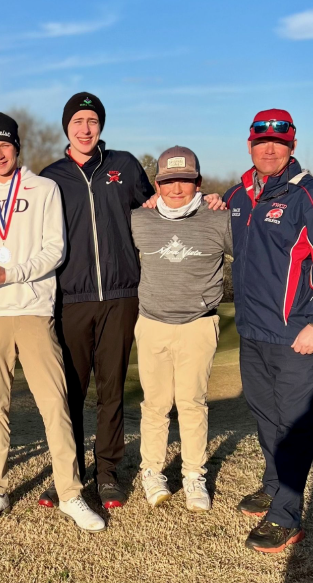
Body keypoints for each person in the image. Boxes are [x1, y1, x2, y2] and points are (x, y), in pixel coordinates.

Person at [39, 92, 224, 510]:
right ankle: (66, 475)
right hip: (72, 298)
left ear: (100, 126)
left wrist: (209, 201)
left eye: (92, 121)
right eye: (77, 121)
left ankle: (107, 474)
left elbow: (162, 207)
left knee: (111, 391)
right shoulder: (51, 176)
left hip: (123, 297)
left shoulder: (123, 166)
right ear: (66, 127)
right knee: (69, 392)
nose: (85, 129)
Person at [0, 112, 105, 532]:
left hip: (32, 309)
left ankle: (70, 493)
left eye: (4, 146)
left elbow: (55, 250)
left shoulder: (44, 189)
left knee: (54, 403)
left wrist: (10, 274)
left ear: (17, 148)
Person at [225, 109, 313, 552]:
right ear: (250, 145)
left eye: (278, 142)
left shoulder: (306, 195)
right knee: (265, 417)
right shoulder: (240, 195)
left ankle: (286, 515)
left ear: (292, 145)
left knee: (294, 426)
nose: (269, 149)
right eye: (261, 141)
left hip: (296, 336)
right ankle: (274, 483)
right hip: (252, 333)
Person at [131, 146, 232, 511]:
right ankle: (152, 472)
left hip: (198, 327)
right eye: (169, 181)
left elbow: (254, 260)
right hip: (153, 324)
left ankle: (193, 476)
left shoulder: (220, 220)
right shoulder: (139, 220)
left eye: (185, 181)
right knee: (155, 406)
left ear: (198, 183)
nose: (177, 189)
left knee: (192, 404)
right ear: (157, 184)